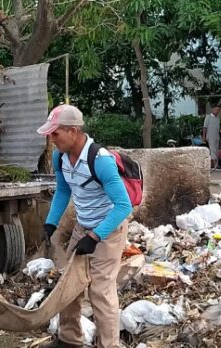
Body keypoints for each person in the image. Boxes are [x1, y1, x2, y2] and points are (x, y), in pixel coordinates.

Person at [37, 104, 133, 348]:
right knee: (69, 287)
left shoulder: (100, 161)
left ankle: (108, 345)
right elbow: (63, 190)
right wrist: (51, 222)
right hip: (83, 227)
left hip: (108, 231)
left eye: (55, 134)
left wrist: (96, 236)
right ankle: (70, 340)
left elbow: (123, 206)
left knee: (100, 292)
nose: (51, 139)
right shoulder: (60, 156)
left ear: (73, 131)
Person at [202, 104, 221, 170]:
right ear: (213, 109)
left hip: (217, 136)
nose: (217, 111)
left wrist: (219, 138)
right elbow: (205, 127)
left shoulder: (218, 118)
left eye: (218, 110)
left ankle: (215, 165)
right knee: (213, 150)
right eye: (216, 109)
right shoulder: (208, 117)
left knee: (216, 151)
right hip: (210, 136)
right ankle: (215, 166)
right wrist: (204, 136)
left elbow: (218, 129)